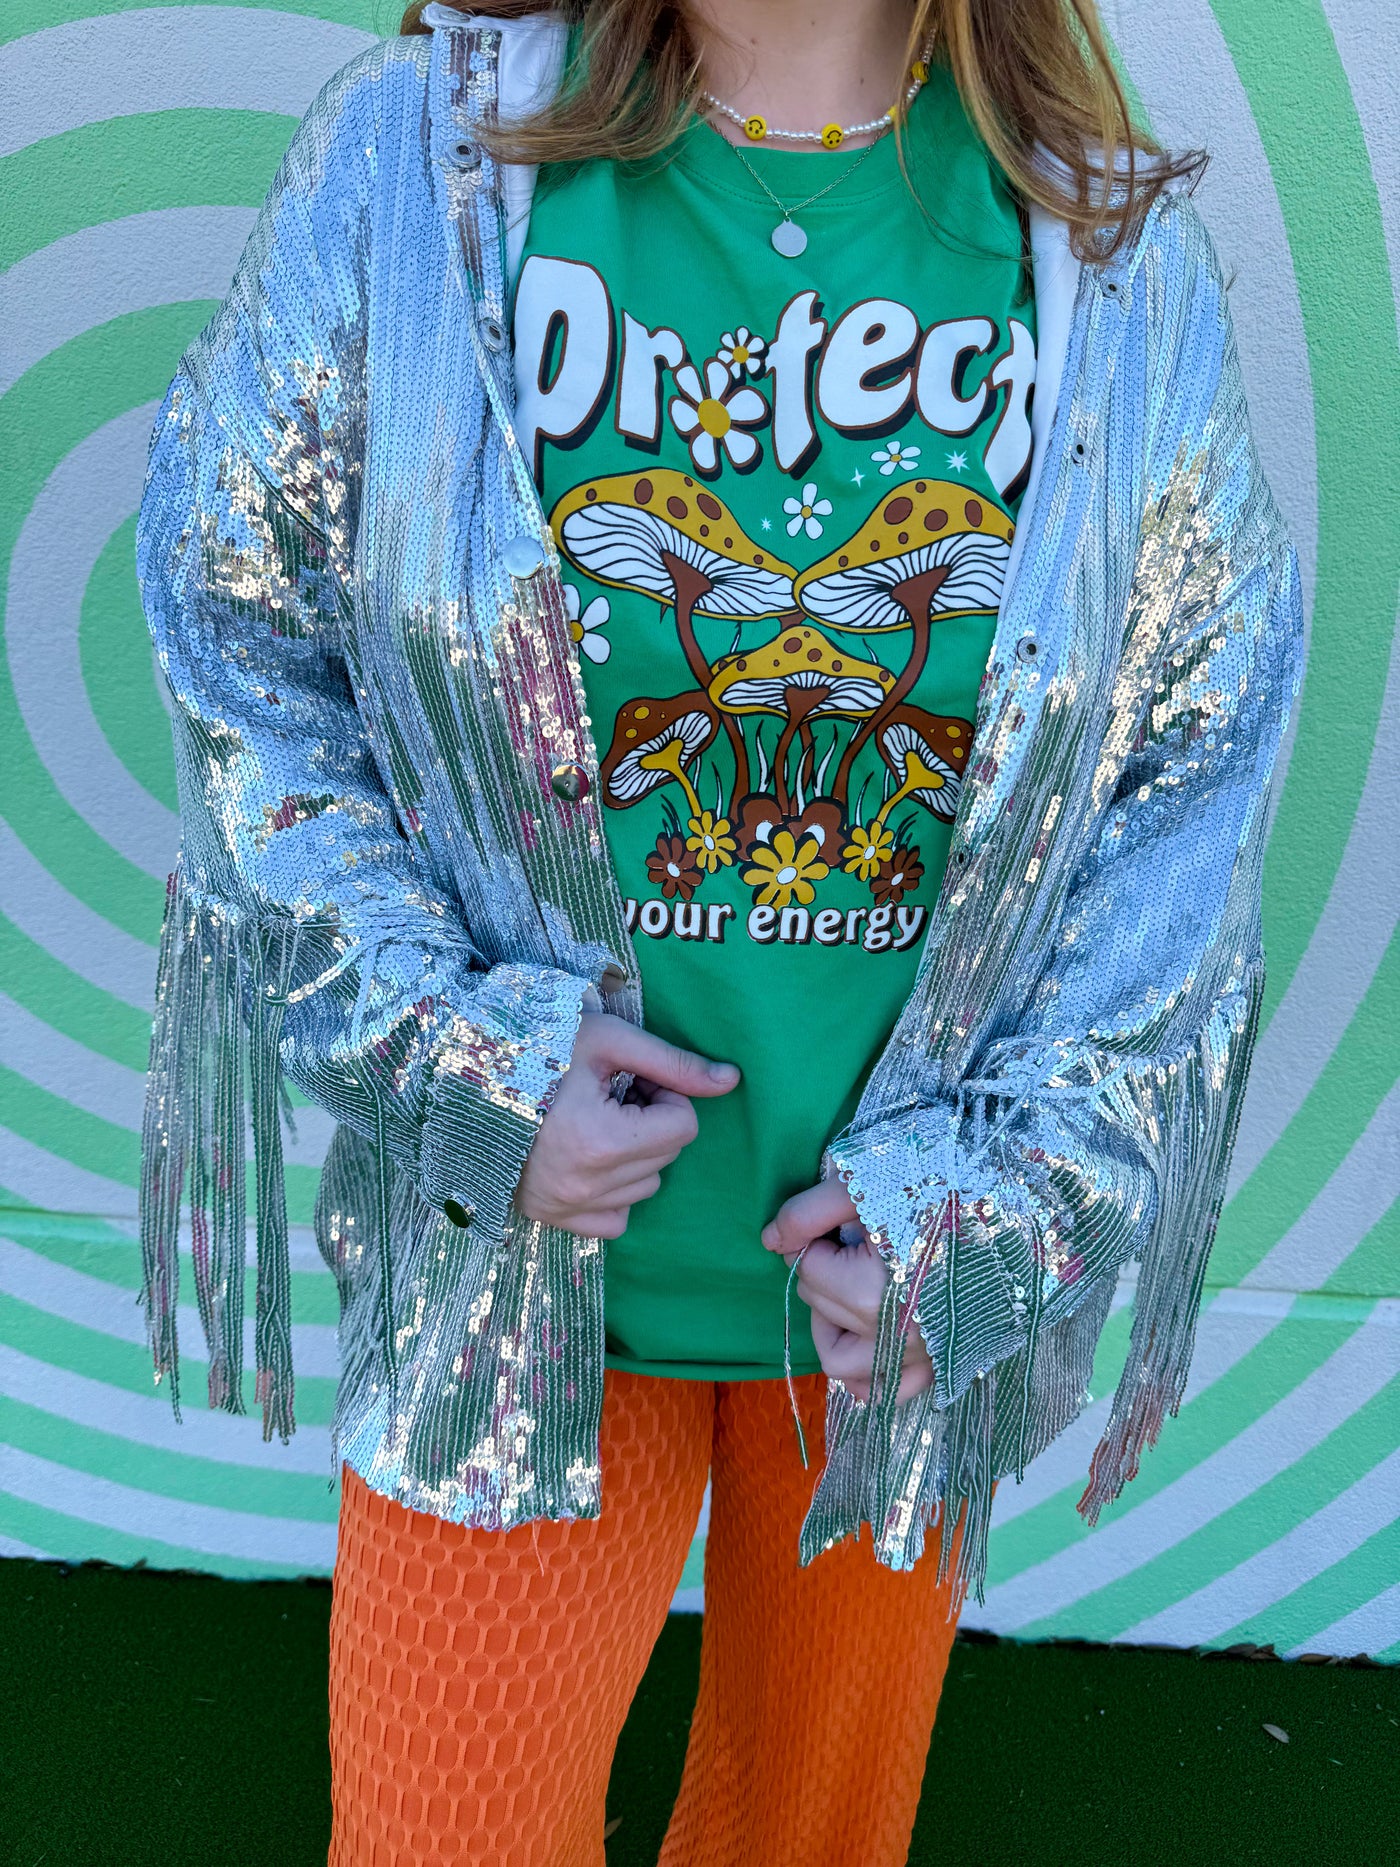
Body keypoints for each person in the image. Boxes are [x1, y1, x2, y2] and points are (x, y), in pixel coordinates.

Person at [134, 0, 1302, 1858]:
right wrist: (457, 1070)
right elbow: (241, 646)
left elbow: (1192, 772)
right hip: (513, 1287)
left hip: (888, 1316)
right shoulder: (417, 160)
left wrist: (1000, 1211)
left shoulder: (1103, 245)